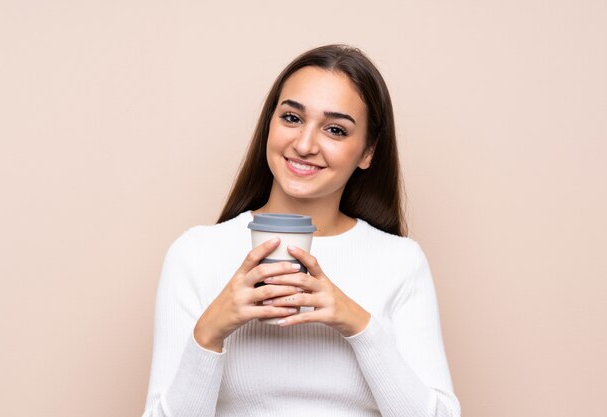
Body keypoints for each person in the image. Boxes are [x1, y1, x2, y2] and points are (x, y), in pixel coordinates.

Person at [141, 44, 461, 417]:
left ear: (368, 151)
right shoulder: (196, 253)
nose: (305, 145)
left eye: (336, 130)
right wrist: (210, 331)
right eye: (292, 118)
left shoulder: (400, 261)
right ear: (269, 124)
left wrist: (358, 323)